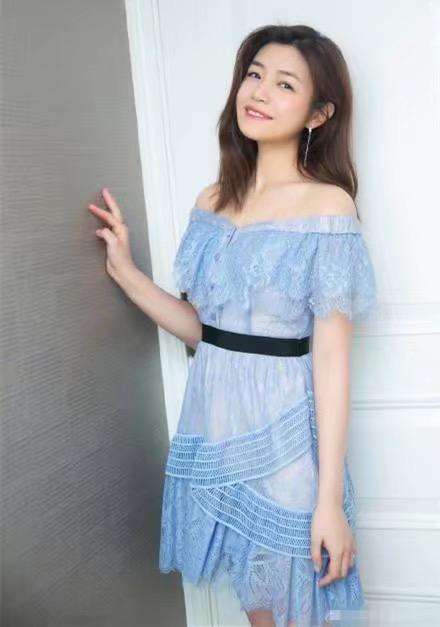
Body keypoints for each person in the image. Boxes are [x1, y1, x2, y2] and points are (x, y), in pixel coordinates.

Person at [88, 23, 377, 627]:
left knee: (301, 611)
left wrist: (328, 502)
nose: (260, 91)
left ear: (318, 114)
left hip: (284, 442)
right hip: (214, 435)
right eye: (254, 75)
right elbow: (209, 333)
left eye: (285, 84)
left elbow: (331, 361)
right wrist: (125, 271)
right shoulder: (211, 201)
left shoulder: (327, 206)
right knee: (259, 614)